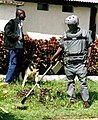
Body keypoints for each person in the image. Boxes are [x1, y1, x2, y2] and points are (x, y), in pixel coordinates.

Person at [50, 15, 93, 108]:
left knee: (83, 82)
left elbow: (89, 45)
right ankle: (71, 99)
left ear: (77, 24)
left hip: (81, 62)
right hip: (69, 63)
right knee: (69, 81)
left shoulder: (85, 33)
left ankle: (85, 100)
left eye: (72, 25)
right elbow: (61, 47)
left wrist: (89, 57)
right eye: (68, 25)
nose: (70, 27)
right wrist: (53, 57)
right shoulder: (65, 35)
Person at [3, 9, 26, 86]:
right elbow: (7, 32)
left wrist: (22, 36)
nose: (25, 16)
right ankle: (7, 81)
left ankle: (14, 80)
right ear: (18, 15)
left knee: (18, 65)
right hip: (14, 47)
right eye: (23, 14)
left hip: (19, 47)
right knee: (13, 63)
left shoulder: (20, 24)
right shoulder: (12, 22)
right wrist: (17, 37)